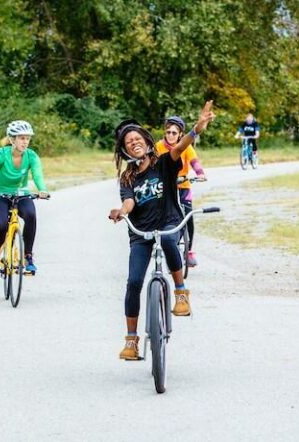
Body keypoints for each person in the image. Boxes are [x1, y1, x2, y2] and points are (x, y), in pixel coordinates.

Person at [108, 101, 215, 361]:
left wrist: (196, 129)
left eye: (137, 138)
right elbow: (129, 201)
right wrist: (121, 211)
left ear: (147, 141)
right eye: (128, 142)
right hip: (141, 233)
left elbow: (180, 146)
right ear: (124, 150)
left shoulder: (165, 162)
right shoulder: (127, 177)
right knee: (134, 282)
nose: (134, 143)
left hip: (168, 221)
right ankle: (131, 341)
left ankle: (181, 292)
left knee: (168, 240)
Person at [0, 120, 50, 275]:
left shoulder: (31, 156)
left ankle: (28, 256)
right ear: (12, 139)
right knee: (1, 226)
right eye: (21, 138)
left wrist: (42, 190)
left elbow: (38, 175)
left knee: (31, 215)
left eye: (28, 138)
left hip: (21, 194)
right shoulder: (0, 154)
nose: (25, 142)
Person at [154, 115, 206, 267]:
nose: (170, 135)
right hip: (165, 186)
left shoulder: (186, 146)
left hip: (183, 186)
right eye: (168, 132)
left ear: (180, 134)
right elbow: (152, 164)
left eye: (174, 133)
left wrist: (200, 173)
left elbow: (194, 162)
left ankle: (189, 251)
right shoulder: (158, 147)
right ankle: (161, 244)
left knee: (188, 215)